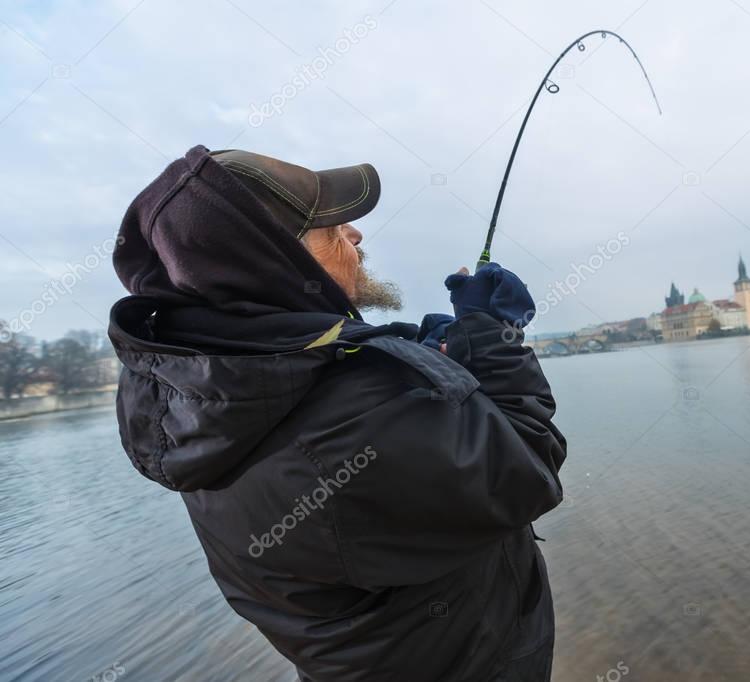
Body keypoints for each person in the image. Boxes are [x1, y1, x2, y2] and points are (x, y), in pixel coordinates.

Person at [108, 145, 567, 681]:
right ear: (278, 259)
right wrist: (494, 338)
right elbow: (529, 462)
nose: (355, 234)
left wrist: (431, 358)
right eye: (329, 226)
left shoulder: (213, 392)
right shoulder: (344, 421)